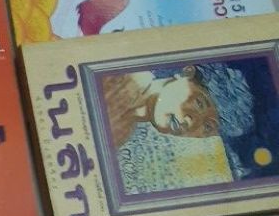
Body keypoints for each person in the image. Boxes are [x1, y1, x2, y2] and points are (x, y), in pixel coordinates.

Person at [101, 62, 254, 150]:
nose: (190, 121)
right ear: (186, 72)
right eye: (199, 103)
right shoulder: (117, 75)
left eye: (207, 127)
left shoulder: (123, 133)